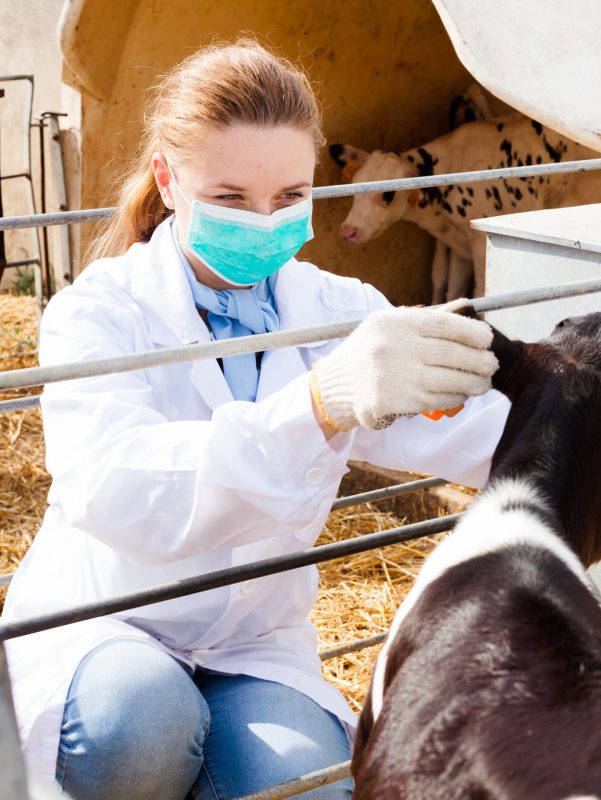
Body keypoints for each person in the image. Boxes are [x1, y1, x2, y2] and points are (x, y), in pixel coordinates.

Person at [0, 38, 510, 800]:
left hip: (251, 642)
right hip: (108, 626)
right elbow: (121, 492)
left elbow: (473, 428)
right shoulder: (96, 312)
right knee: (140, 727)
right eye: (232, 198)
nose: (264, 223)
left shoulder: (339, 313)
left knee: (310, 790)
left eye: (290, 198)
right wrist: (314, 406)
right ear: (168, 181)